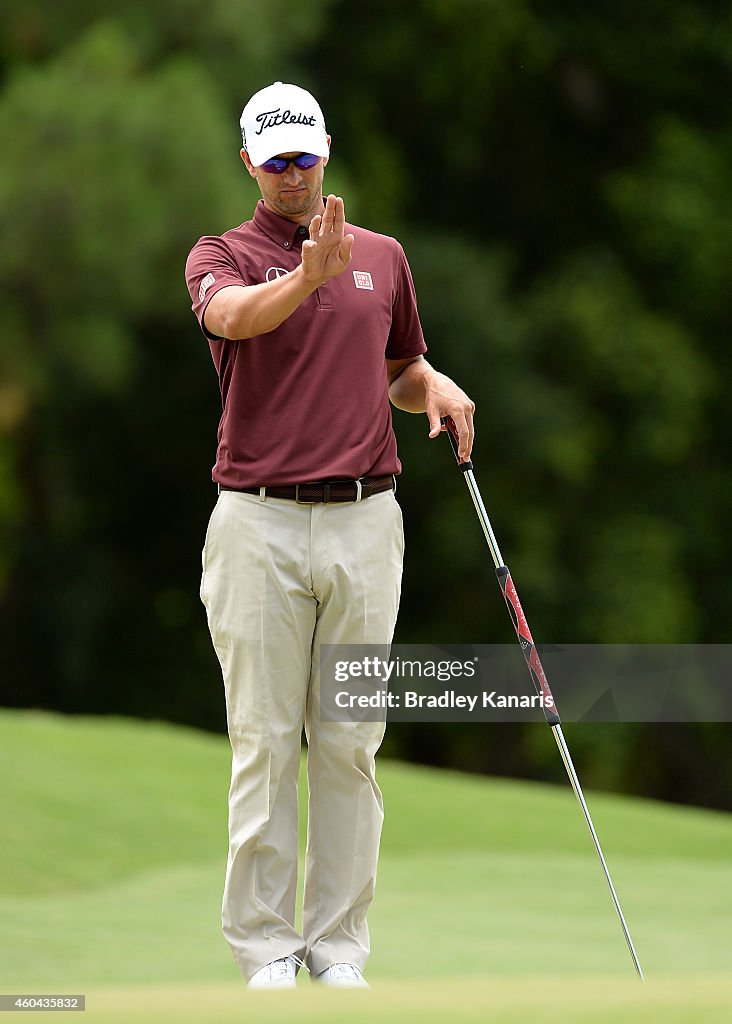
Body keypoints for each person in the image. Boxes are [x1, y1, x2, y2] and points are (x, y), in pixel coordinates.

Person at [184, 81, 474, 990]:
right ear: (249, 164)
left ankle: (338, 949)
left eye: (304, 156)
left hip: (364, 523)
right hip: (258, 525)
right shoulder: (219, 255)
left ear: (327, 151)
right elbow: (232, 319)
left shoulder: (381, 257)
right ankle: (268, 948)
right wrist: (304, 274)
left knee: (349, 741)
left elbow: (397, 366)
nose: (292, 174)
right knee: (266, 742)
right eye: (275, 161)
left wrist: (438, 388)